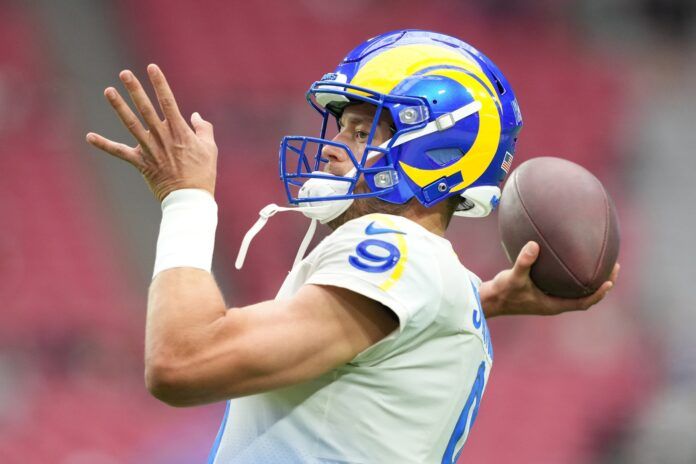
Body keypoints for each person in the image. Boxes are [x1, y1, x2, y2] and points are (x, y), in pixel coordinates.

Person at [86, 30, 618, 464]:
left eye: (362, 132)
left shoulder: (396, 247)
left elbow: (182, 362)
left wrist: (186, 200)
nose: (336, 150)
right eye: (342, 127)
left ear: (436, 149)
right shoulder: (438, 278)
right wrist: (485, 299)